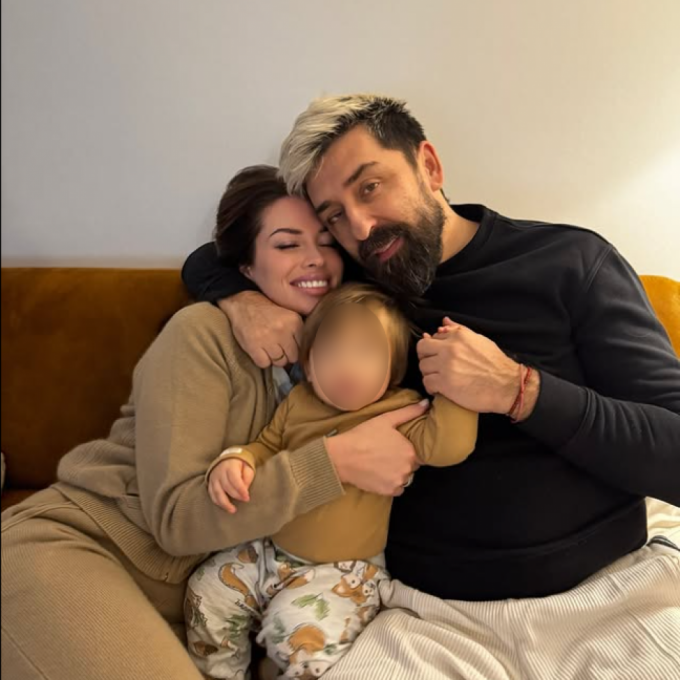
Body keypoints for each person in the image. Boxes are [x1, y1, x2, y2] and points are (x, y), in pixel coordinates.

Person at [182, 94, 680, 679]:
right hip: (428, 620)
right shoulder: (356, 289)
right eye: (334, 215)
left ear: (429, 166)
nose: (360, 227)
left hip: (609, 594)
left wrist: (520, 391)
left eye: (370, 187)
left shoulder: (570, 261)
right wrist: (241, 301)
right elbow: (210, 259)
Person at [1, 165, 429, 680]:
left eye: (326, 242)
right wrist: (333, 463)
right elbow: (177, 519)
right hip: (80, 550)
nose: (316, 258)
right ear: (245, 267)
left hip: (201, 600)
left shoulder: (352, 352)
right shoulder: (201, 334)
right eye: (287, 245)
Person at [186, 283, 478, 679]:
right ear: (308, 365)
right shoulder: (299, 402)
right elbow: (265, 446)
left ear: (393, 369)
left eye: (365, 352)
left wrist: (454, 385)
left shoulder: (400, 409)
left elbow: (448, 446)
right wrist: (237, 460)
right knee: (206, 591)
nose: (346, 366)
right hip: (269, 552)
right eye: (331, 352)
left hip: (342, 574)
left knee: (302, 642)